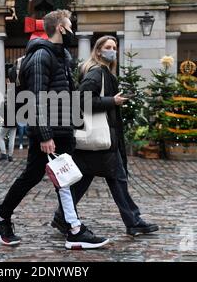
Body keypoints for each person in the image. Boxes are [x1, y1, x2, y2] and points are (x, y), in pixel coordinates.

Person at [0, 9, 108, 250]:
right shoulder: (41, 56)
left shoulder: (62, 55)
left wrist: (73, 124)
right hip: (50, 130)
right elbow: (36, 98)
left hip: (61, 128)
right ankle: (70, 229)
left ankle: (69, 227)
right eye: (69, 25)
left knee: (57, 179)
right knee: (42, 178)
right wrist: (44, 134)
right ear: (61, 28)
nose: (73, 29)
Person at [51, 36, 159, 237]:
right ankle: (133, 221)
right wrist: (112, 101)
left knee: (85, 180)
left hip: (95, 140)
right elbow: (82, 99)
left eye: (114, 47)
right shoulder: (97, 72)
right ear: (98, 51)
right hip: (101, 139)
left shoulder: (103, 72)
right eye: (108, 47)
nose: (112, 50)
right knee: (118, 178)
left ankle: (61, 216)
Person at [0, 74, 18, 162]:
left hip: (7, 120)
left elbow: (3, 108)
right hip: (14, 120)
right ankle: (10, 156)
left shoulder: (8, 93)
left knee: (0, 137)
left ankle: (4, 154)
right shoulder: (16, 94)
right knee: (12, 138)